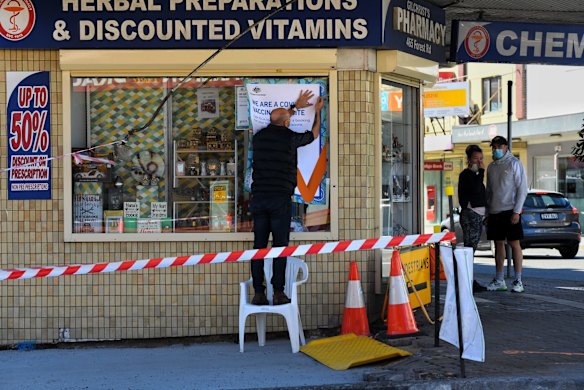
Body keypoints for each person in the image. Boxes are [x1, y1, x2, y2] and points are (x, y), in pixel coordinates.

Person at [250, 90, 324, 305]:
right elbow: (314, 134)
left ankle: (258, 292)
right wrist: (316, 112)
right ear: (286, 122)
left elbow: (280, 119)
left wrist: (293, 108)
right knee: (280, 246)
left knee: (259, 247)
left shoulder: (258, 137)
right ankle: (279, 291)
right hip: (280, 198)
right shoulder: (290, 138)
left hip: (259, 198)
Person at [485, 136, 528, 293]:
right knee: (498, 244)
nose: (495, 149)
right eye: (493, 147)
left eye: (498, 146)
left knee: (514, 244)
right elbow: (489, 190)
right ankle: (499, 279)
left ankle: (518, 280)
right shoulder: (491, 167)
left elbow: (522, 189)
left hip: (510, 210)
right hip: (495, 211)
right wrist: (488, 211)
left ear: (505, 147)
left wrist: (517, 211)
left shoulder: (514, 163)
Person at [457, 144, 487, 293]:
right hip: (471, 214)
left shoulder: (475, 176)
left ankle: (468, 279)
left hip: (478, 214)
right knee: (469, 249)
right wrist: (481, 171)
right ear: (469, 159)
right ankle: (466, 280)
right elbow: (475, 189)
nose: (480, 162)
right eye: (476, 159)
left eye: (481, 159)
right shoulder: (467, 175)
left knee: (471, 248)